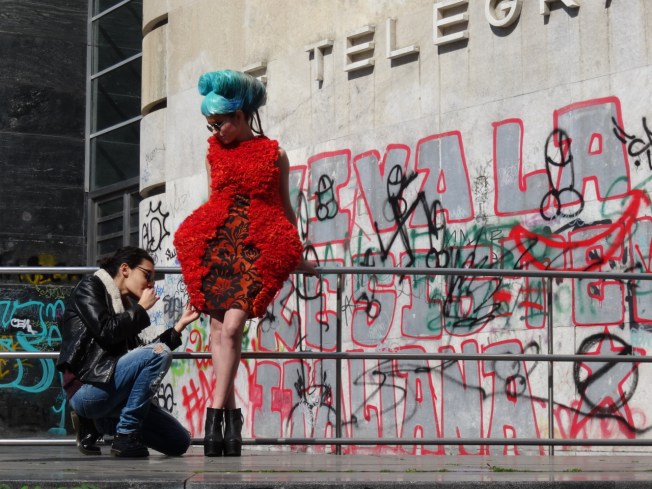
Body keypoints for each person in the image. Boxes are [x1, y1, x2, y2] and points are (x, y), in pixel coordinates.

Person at [173, 70, 317, 457]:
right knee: (219, 331)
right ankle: (230, 431)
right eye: (210, 124)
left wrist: (296, 252)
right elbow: (210, 200)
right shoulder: (212, 153)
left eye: (219, 123)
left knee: (233, 327)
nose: (215, 131)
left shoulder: (275, 154)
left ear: (240, 116)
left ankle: (215, 413)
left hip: (257, 245)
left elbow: (285, 207)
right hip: (219, 245)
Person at [57, 246, 199, 457]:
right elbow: (106, 331)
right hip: (88, 388)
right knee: (159, 353)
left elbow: (142, 355)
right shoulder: (89, 287)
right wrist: (140, 309)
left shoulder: (125, 306)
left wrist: (179, 326)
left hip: (115, 390)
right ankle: (125, 435)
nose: (151, 283)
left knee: (178, 441)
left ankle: (101, 424)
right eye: (147, 275)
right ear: (125, 269)